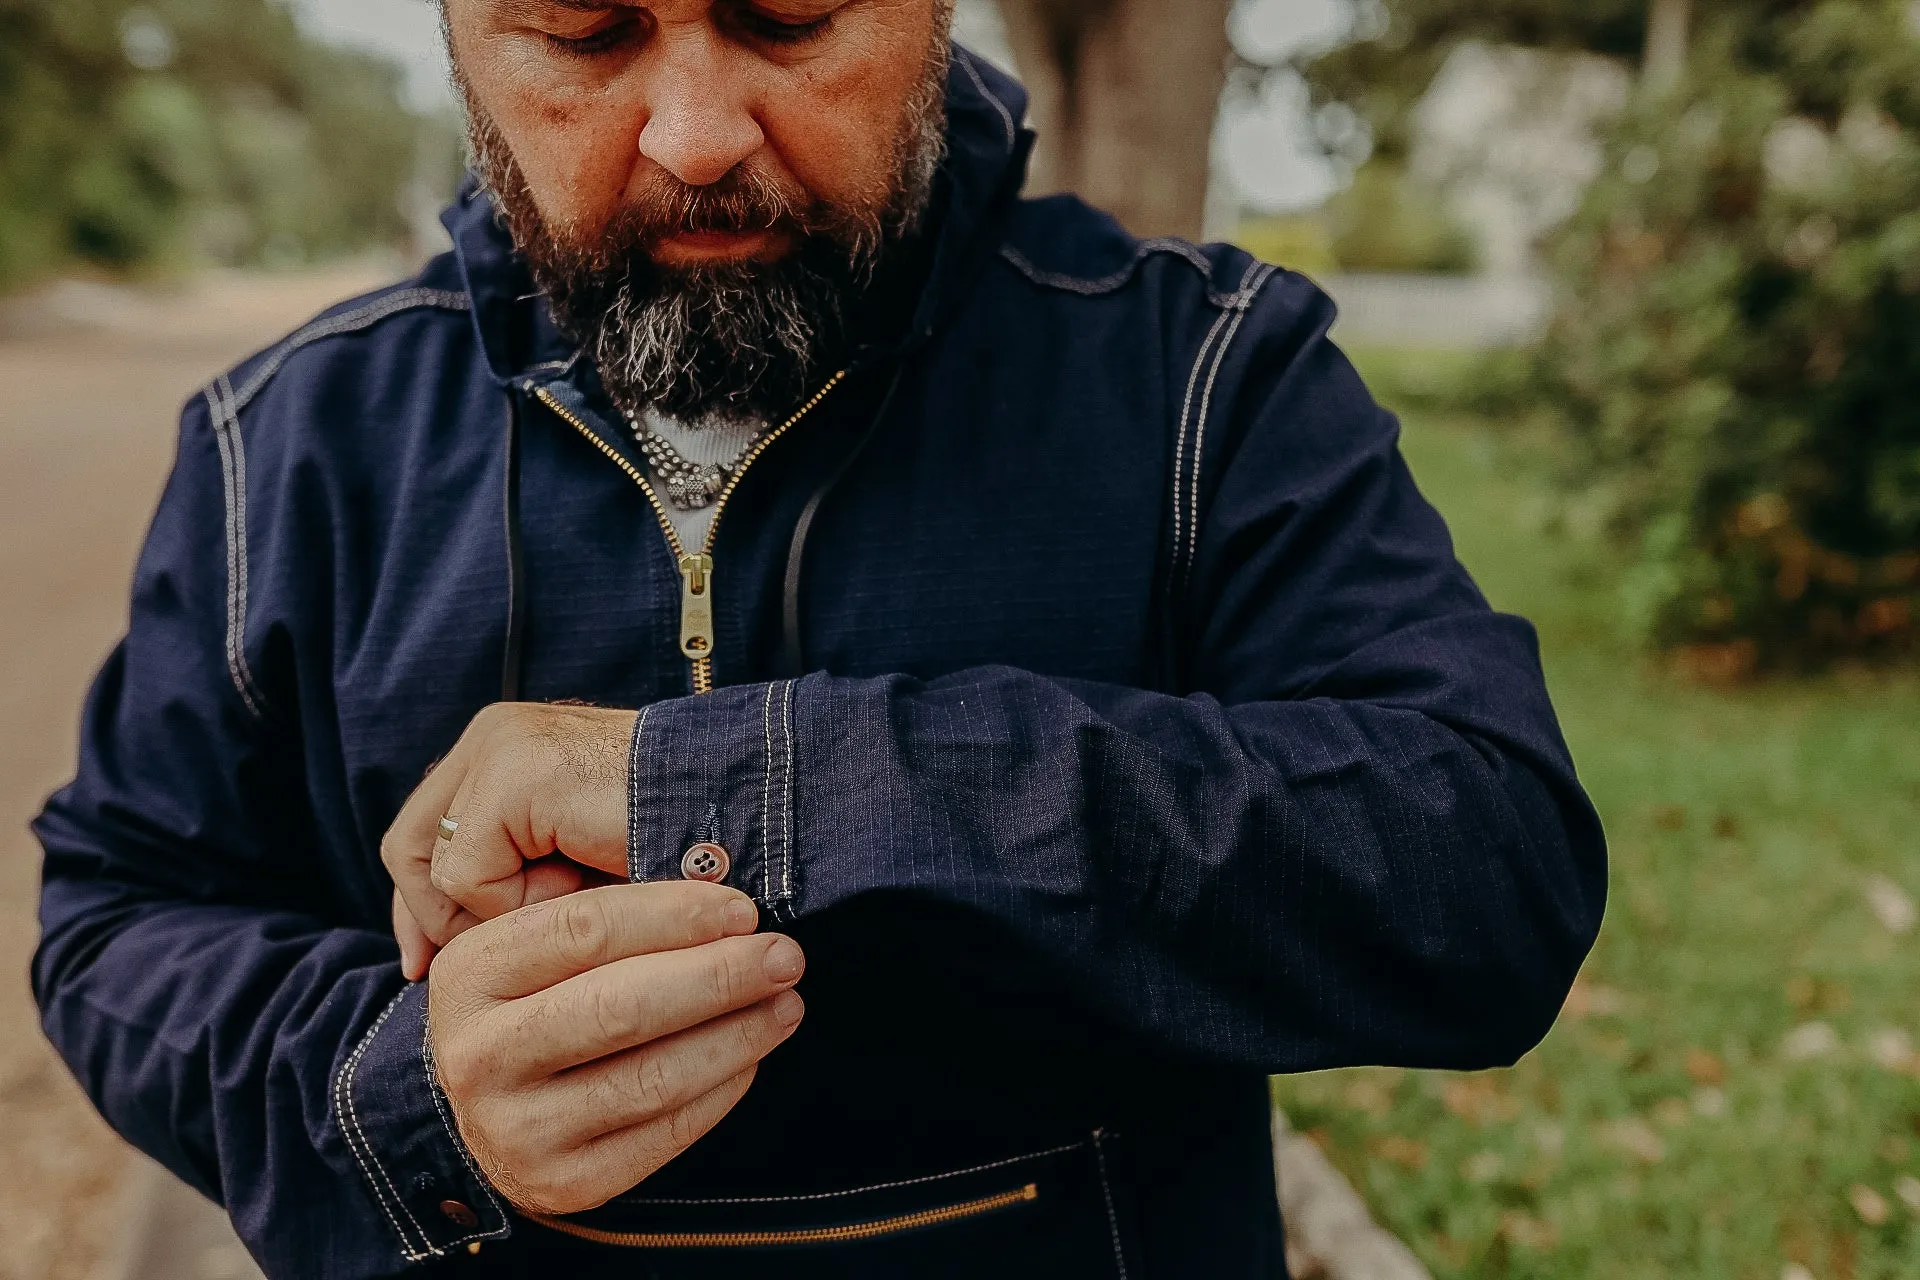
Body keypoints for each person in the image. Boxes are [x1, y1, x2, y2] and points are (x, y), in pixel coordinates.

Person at [32, 2, 1607, 1276]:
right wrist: (399, 1097)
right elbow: (116, 918)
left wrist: (750, 789)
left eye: (790, 19)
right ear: (457, 37)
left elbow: (1487, 864)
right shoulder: (283, 447)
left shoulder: (1206, 380)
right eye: (586, 39)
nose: (699, 135)